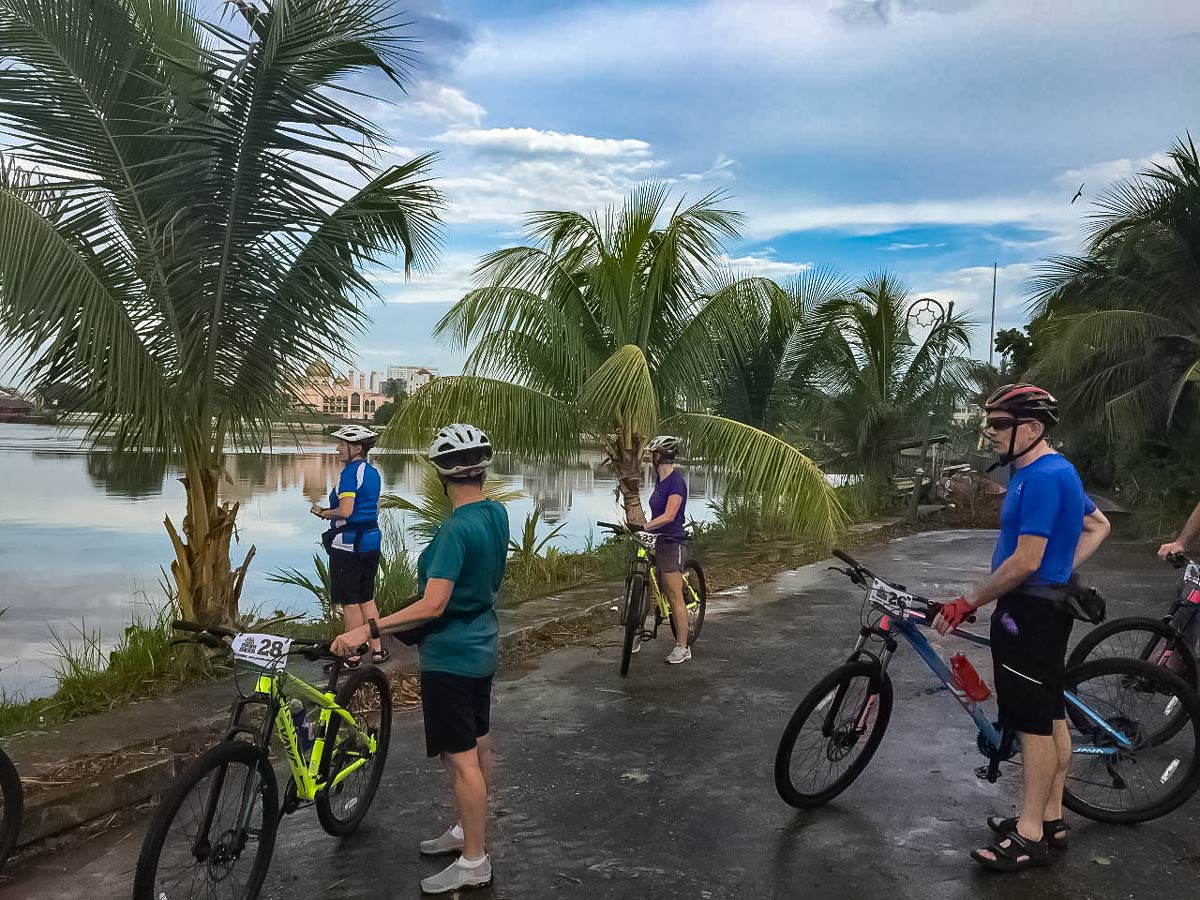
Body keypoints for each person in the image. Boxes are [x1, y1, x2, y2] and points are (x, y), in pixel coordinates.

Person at [932, 384, 1110, 872]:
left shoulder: (1042, 479)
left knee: (1033, 726)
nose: (988, 433)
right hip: (1041, 609)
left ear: (1031, 429)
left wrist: (968, 600)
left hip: (1028, 617)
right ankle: (1051, 819)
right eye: (987, 423)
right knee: (1051, 717)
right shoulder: (1054, 471)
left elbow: (1024, 561)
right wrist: (1060, 571)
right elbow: (1098, 526)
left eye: (998, 424)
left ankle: (1029, 834)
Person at [332, 423, 508, 895]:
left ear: (442, 478)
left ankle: (475, 860)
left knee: (462, 758)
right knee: (480, 744)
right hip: (483, 644)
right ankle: (465, 831)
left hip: (450, 657)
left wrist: (366, 630)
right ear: (481, 474)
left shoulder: (455, 531)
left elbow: (432, 605)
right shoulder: (495, 515)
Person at [311, 424, 384, 665]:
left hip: (348, 545)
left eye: (343, 444)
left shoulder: (350, 474)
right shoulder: (373, 473)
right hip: (371, 541)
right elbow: (374, 508)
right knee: (367, 599)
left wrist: (323, 512)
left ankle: (351, 655)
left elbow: (346, 510)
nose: (338, 448)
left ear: (357, 448)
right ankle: (377, 650)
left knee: (350, 603)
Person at [639, 434, 692, 665]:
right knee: (648, 583)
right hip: (657, 539)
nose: (650, 457)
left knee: (673, 594)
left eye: (653, 454)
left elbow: (670, 516)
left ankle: (683, 646)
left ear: (659, 456)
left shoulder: (676, 482)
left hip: (672, 541)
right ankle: (635, 630)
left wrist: (644, 526)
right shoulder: (660, 480)